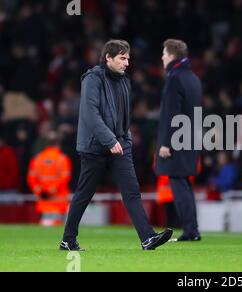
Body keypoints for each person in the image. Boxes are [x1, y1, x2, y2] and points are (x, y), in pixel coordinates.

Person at [60, 40, 173, 251]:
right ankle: (68, 239)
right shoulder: (92, 80)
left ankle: (147, 238)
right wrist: (109, 139)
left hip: (120, 144)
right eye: (122, 58)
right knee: (85, 194)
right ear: (108, 58)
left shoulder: (123, 81)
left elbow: (122, 115)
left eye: (128, 58)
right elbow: (90, 114)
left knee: (132, 191)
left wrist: (124, 138)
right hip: (94, 147)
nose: (127, 63)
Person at [156, 39, 202, 242]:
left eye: (165, 53)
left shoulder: (175, 78)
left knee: (178, 183)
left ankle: (191, 231)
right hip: (190, 138)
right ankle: (192, 230)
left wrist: (166, 142)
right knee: (185, 184)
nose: (162, 57)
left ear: (173, 56)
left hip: (176, 140)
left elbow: (170, 113)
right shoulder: (193, 78)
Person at [27, 131, 71, 226]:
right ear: (58, 144)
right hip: (59, 202)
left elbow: (31, 178)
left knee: (45, 225)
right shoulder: (62, 159)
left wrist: (39, 191)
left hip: (44, 202)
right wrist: (52, 190)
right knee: (59, 230)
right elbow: (65, 178)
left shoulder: (37, 159)